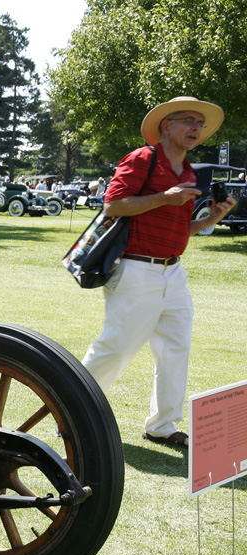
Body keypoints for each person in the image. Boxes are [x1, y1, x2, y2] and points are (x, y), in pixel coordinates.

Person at [80, 96, 234, 451]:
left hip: (172, 273)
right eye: (188, 121)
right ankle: (72, 408)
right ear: (167, 126)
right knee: (116, 347)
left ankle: (162, 426)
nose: (196, 128)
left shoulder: (190, 172)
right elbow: (113, 205)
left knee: (175, 349)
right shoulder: (143, 159)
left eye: (200, 123)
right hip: (135, 268)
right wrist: (165, 197)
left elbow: (181, 231)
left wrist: (212, 217)